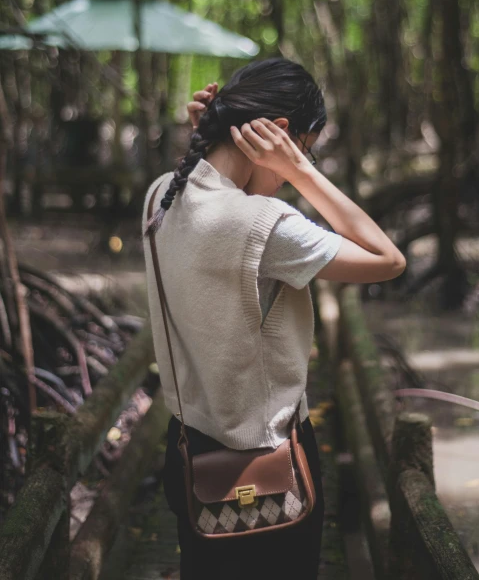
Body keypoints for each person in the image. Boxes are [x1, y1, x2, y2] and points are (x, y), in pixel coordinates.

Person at [141, 57, 406, 579]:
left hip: (188, 454)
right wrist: (301, 173)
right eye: (304, 149)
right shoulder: (266, 226)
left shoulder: (162, 196)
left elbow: (207, 197)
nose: (291, 176)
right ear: (279, 136)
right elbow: (388, 260)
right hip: (267, 469)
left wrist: (217, 144)